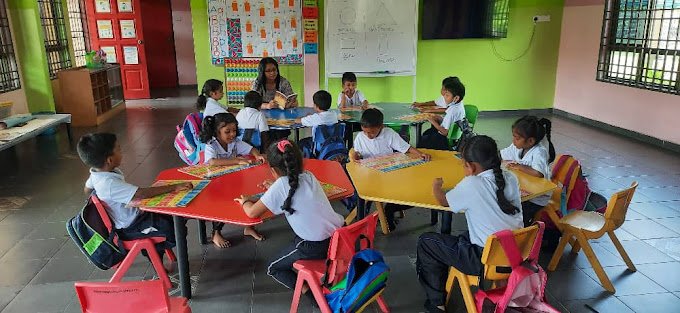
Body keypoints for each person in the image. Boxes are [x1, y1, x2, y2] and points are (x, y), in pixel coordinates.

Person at [417, 135, 523, 313]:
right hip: (516, 252)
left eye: (464, 164)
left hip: (484, 260)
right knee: (462, 238)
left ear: (471, 166)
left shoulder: (472, 183)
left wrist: (437, 186)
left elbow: (444, 201)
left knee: (426, 242)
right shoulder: (510, 177)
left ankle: (436, 303)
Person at [235, 139, 344, 297]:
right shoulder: (309, 176)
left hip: (315, 245)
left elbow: (252, 212)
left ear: (273, 170)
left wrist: (244, 201)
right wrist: (275, 186)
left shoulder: (280, 186)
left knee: (273, 268)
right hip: (339, 238)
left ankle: (315, 296)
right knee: (296, 241)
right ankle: (319, 290)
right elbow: (293, 188)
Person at [77, 133, 191, 269]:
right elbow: (140, 193)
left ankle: (156, 250)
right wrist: (175, 187)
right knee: (175, 230)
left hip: (136, 215)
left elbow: (87, 189)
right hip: (131, 226)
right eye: (118, 149)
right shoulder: (107, 183)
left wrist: (98, 199)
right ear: (109, 160)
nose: (122, 151)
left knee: (173, 216)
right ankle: (154, 256)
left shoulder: (96, 174)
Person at [351, 108, 431, 231]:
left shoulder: (388, 134)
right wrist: (355, 156)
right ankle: (381, 215)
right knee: (361, 193)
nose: (368, 135)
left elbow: (407, 148)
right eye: (365, 131)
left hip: (389, 174)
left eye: (372, 132)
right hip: (369, 176)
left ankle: (389, 211)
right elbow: (357, 154)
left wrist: (420, 154)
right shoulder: (360, 137)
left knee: (408, 192)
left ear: (381, 127)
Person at [200, 113, 266, 248]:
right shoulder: (211, 144)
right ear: (217, 132)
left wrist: (257, 155)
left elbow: (251, 149)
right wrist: (236, 160)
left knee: (246, 198)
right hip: (216, 183)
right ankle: (216, 233)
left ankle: (248, 226)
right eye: (227, 132)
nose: (232, 135)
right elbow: (212, 162)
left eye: (234, 131)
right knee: (220, 205)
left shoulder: (235, 142)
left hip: (234, 180)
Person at [500, 115, 556, 226]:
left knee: (516, 215)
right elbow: (501, 154)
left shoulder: (539, 152)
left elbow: (538, 173)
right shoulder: (516, 147)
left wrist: (520, 167)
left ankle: (522, 233)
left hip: (537, 198)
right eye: (514, 137)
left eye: (517, 138)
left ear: (530, 141)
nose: (513, 141)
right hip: (524, 190)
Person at [418, 78, 467, 151]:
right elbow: (450, 122)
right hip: (454, 137)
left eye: (447, 95)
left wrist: (432, 120)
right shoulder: (458, 106)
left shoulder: (452, 111)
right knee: (427, 133)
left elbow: (445, 132)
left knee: (422, 140)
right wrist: (439, 118)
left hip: (443, 140)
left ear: (456, 98)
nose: (444, 97)